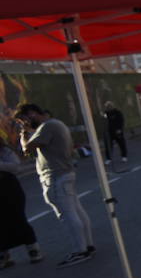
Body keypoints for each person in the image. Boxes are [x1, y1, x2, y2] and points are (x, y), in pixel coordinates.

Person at [17, 103, 96, 267]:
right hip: (65, 173)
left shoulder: (47, 127)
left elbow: (26, 148)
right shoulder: (56, 124)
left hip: (56, 176)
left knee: (68, 215)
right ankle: (87, 246)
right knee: (76, 211)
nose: (24, 124)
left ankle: (80, 251)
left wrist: (23, 133)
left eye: (23, 120)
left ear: (31, 114)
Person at [0, 139, 43, 269]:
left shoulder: (4, 151)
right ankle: (4, 255)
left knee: (18, 219)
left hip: (9, 189)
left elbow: (16, 166)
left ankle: (33, 249)